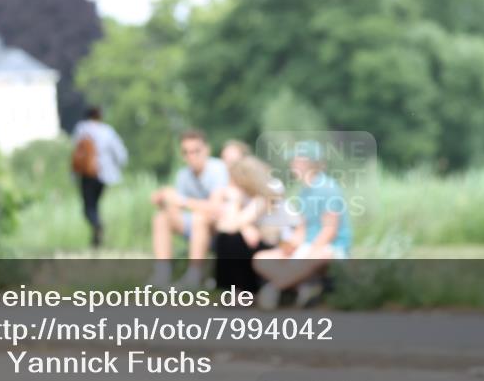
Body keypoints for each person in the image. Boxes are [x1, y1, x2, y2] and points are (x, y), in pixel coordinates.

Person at [253, 141, 352, 309]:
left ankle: (275, 288)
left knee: (318, 255)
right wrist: (290, 248)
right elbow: (302, 228)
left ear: (310, 163)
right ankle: (304, 287)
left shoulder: (328, 188)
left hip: (329, 247)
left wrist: (306, 252)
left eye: (296, 161)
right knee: (260, 259)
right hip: (307, 245)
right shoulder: (304, 191)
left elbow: (330, 230)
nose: (292, 165)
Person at [150, 129, 230, 288]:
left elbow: (215, 208)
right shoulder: (183, 175)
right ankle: (162, 273)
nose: (191, 156)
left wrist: (182, 201)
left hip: (219, 228)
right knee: (161, 218)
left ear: (206, 149)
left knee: (199, 218)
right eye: (186, 152)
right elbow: (177, 209)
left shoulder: (218, 168)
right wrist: (164, 199)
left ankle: (194, 275)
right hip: (194, 225)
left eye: (196, 151)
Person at [212, 155, 291, 293]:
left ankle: (244, 291)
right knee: (226, 237)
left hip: (277, 243)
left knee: (232, 239)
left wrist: (235, 203)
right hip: (257, 239)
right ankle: (234, 289)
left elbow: (233, 223)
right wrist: (245, 227)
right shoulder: (247, 193)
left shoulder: (271, 190)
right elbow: (223, 225)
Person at [71, 107, 129, 248]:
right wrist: (119, 167)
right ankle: (96, 236)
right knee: (95, 204)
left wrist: (73, 174)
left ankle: (97, 225)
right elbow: (120, 153)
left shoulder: (81, 129)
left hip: (87, 174)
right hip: (104, 174)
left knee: (88, 207)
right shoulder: (107, 131)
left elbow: (76, 152)